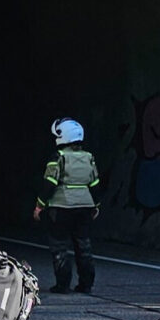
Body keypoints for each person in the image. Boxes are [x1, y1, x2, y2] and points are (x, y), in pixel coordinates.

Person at [34, 117, 100, 293]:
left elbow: (50, 183)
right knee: (83, 246)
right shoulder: (89, 157)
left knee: (60, 247)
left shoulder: (58, 158)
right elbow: (95, 183)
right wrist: (96, 205)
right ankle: (86, 284)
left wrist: (40, 205)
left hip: (61, 207)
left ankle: (62, 285)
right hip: (85, 207)